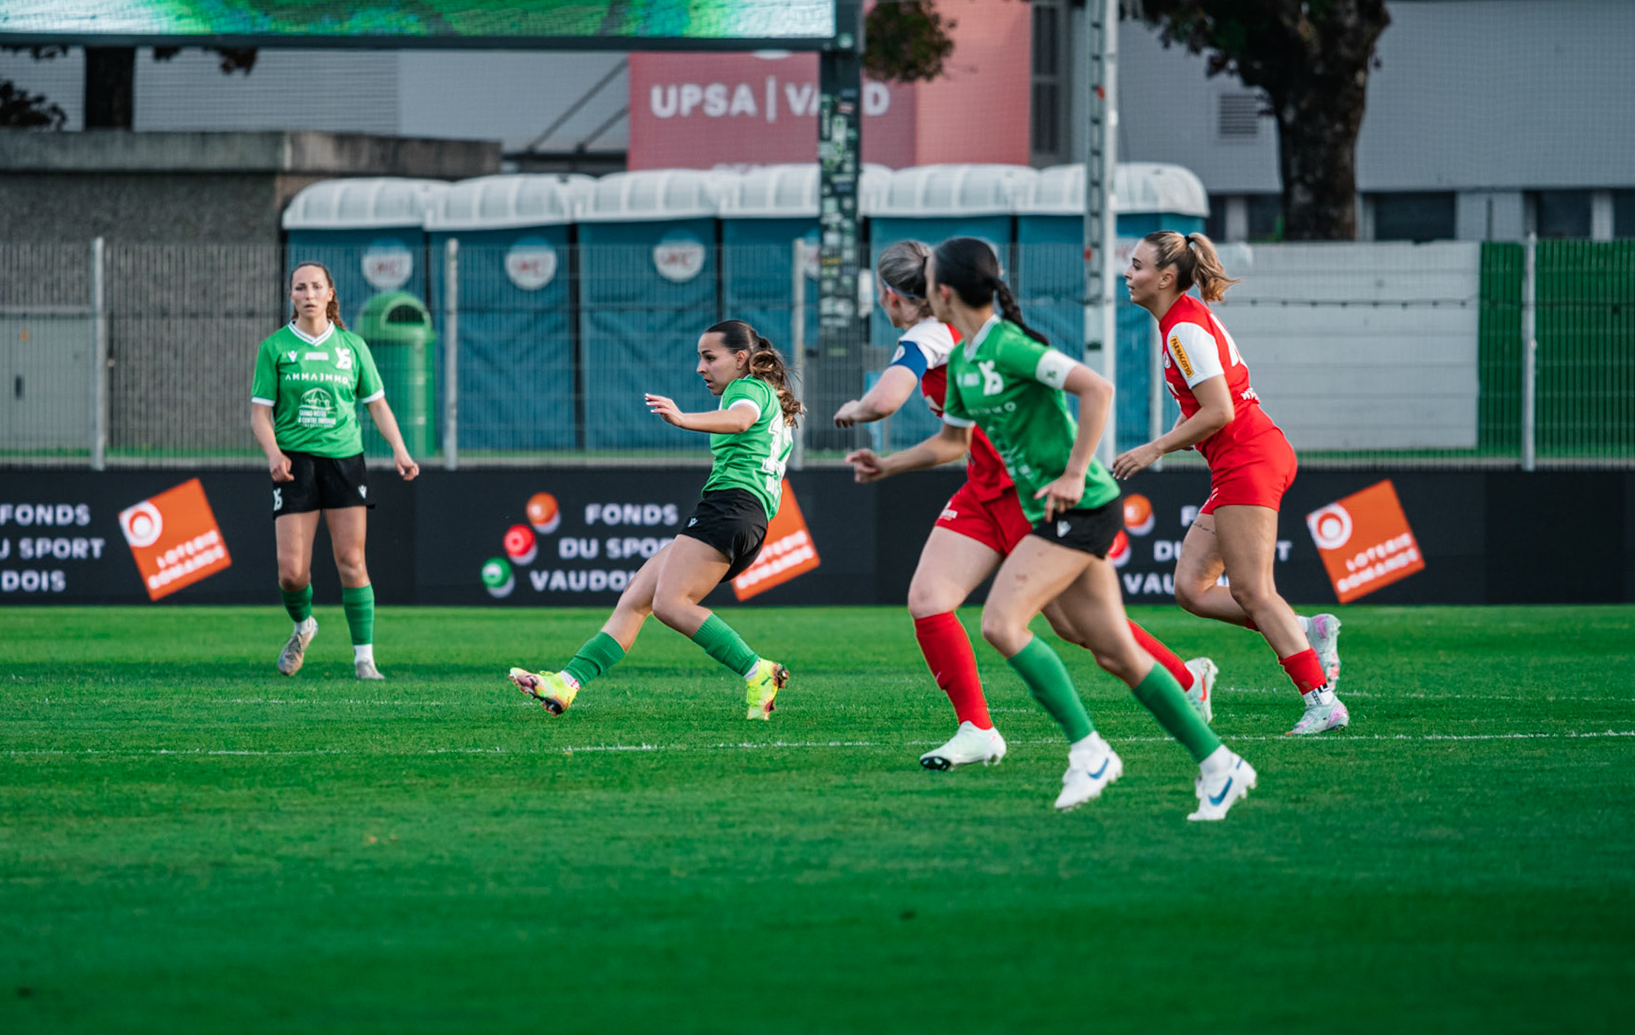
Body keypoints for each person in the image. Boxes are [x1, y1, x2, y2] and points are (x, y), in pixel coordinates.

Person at [840, 240, 1220, 773]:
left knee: (1078, 628)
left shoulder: (931, 335)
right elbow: (955, 441)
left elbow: (885, 400)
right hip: (982, 490)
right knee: (929, 600)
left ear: (894, 294)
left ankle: (1180, 687)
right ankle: (978, 730)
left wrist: (855, 408)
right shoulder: (962, 339)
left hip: (1027, 493)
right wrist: (890, 465)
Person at [921, 237, 1254, 820]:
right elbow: (951, 443)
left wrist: (1075, 474)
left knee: (1001, 623)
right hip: (1062, 512)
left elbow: (1098, 388)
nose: (922, 291)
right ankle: (1219, 763)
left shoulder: (1006, 344)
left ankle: (1089, 750)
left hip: (1079, 508)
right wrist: (883, 464)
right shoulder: (968, 360)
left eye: (926, 281)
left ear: (943, 291)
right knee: (1115, 651)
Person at [1111, 231, 1347, 736]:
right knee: (1191, 590)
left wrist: (1154, 449)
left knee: (1252, 591)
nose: (1127, 275)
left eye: (1136, 266)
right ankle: (1306, 630)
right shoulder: (1179, 322)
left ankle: (1321, 700)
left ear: (1166, 278)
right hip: (1242, 459)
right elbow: (1210, 408)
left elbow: (1219, 411)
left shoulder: (1183, 330)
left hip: (1251, 458)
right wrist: (1166, 441)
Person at [510, 320, 798, 721]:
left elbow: (740, 419)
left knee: (670, 604)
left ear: (741, 358)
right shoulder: (769, 393)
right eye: (700, 357)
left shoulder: (746, 388)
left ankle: (758, 671)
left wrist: (683, 419)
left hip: (732, 507)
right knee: (636, 599)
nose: (700, 367)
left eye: (709, 357)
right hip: (742, 514)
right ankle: (567, 683)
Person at [250, 261, 419, 680]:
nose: (308, 294)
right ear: (291, 296)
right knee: (291, 573)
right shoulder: (275, 347)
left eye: (316, 287)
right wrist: (273, 452)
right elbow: (259, 413)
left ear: (330, 294)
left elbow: (376, 403)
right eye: (300, 288)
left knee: (351, 559)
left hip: (345, 462)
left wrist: (400, 449)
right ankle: (303, 625)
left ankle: (364, 658)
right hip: (294, 463)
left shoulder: (352, 346)